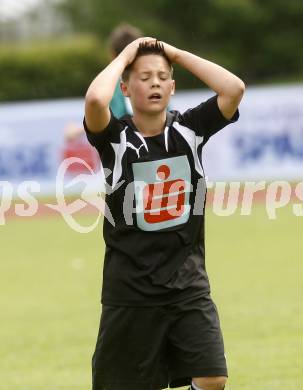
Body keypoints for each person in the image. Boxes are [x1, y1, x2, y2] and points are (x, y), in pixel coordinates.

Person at [84, 37, 245, 390]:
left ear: (172, 86)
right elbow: (96, 99)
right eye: (143, 77)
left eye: (162, 76)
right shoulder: (115, 138)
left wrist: (175, 54)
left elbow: (233, 89)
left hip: (187, 286)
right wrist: (128, 54)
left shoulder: (190, 128)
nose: (154, 82)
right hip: (130, 291)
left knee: (213, 378)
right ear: (125, 87)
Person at [65, 23, 142, 141]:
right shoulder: (154, 82)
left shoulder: (111, 86)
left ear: (111, 54)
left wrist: (77, 131)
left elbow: (112, 119)